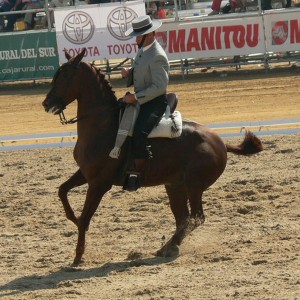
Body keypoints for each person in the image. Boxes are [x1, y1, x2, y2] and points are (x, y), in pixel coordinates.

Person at [121, 15, 169, 191]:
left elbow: (159, 87)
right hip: (143, 98)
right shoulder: (143, 49)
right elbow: (143, 71)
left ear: (150, 35)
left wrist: (135, 98)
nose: (136, 39)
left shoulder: (157, 55)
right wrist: (130, 73)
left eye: (139, 36)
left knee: (140, 132)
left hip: (155, 103)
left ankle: (137, 174)